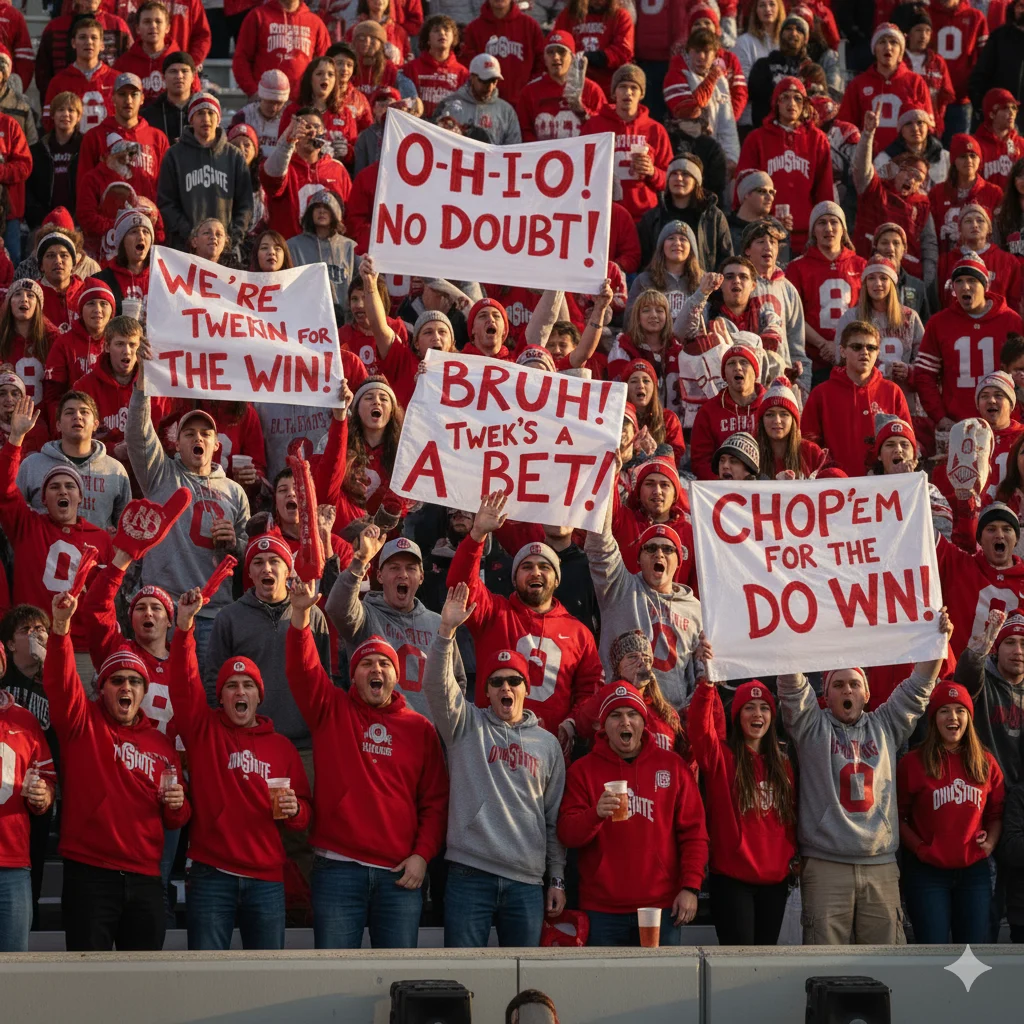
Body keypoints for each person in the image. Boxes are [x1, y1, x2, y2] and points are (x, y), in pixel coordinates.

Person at [287, 578, 448, 949]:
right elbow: (303, 669)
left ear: (396, 676)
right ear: (353, 673)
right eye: (366, 664)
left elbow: (435, 803)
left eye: (383, 665)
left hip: (399, 877)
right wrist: (299, 614)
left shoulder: (419, 729)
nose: (376, 670)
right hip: (337, 870)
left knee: (398, 983)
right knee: (332, 977)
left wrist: (422, 857)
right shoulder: (331, 710)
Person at [778, 609, 953, 945]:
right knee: (826, 967)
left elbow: (919, 687)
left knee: (887, 965)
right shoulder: (811, 728)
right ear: (825, 695)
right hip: (826, 864)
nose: (848, 690)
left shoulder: (886, 724)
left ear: (867, 693)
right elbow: (790, 685)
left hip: (880, 865)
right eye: (838, 684)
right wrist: (786, 633)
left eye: (854, 684)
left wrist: (937, 640)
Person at [44, 590, 189, 951]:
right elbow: (61, 685)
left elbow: (177, 818)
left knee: (142, 985)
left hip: (145, 878)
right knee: (86, 981)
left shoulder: (162, 746)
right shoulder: (82, 724)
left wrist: (177, 803)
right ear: (102, 688)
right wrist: (60, 629)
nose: (126, 686)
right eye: (117, 680)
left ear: (143, 692)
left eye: (135, 681)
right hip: (90, 873)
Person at [169, 587, 312, 950]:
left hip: (266, 879)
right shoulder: (205, 731)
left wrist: (295, 812)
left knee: (266, 979)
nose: (239, 692)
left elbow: (304, 815)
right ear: (222, 696)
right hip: (210, 874)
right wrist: (184, 629)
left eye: (247, 685)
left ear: (258, 696)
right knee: (206, 975)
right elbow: (184, 685)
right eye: (231, 686)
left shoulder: (281, 747)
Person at [423, 583, 566, 947]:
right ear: (485, 692)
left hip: (526, 882)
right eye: (497, 682)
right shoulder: (464, 725)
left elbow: (553, 821)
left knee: (523, 982)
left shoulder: (548, 745)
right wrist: (446, 633)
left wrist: (557, 878)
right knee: (463, 979)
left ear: (525, 688)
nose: (506, 687)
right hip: (470, 874)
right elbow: (437, 688)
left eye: (514, 681)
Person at [557, 679, 707, 946]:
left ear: (643, 722)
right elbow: (567, 833)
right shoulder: (583, 771)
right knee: (605, 988)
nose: (625, 722)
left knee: (662, 986)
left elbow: (694, 834)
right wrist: (595, 814)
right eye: (615, 715)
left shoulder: (672, 766)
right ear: (603, 725)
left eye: (632, 714)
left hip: (660, 907)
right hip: (602, 910)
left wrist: (690, 888)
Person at [447, 491, 604, 736]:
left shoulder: (579, 633)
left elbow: (589, 690)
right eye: (527, 566)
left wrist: (572, 725)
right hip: (490, 744)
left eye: (544, 567)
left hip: (549, 752)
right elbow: (460, 586)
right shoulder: (493, 613)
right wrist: (477, 535)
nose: (536, 572)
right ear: (514, 577)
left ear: (556, 579)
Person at [128, 350, 249, 655]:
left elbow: (248, 553)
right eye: (189, 433)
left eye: (205, 434)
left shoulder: (235, 492)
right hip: (163, 607)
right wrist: (142, 385)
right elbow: (137, 435)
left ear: (216, 445)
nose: (198, 438)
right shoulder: (159, 473)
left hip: (213, 611)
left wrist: (235, 543)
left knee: (206, 695)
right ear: (177, 442)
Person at [690, 640, 797, 946]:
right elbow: (700, 729)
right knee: (737, 963)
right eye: (749, 707)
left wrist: (792, 859)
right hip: (732, 881)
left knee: (764, 963)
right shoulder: (721, 758)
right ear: (737, 715)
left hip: (775, 883)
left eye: (764, 707)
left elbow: (791, 819)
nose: (757, 713)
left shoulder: (784, 764)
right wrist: (707, 683)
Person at [898, 681, 1004, 944]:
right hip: (927, 873)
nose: (953, 717)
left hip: (974, 872)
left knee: (973, 955)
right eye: (944, 710)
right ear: (933, 718)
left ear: (969, 716)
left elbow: (996, 813)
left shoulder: (985, 762)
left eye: (960, 710)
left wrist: (990, 842)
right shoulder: (913, 762)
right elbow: (897, 817)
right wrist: (920, 848)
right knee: (932, 951)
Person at [327, 525, 467, 720]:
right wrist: (359, 561)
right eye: (394, 568)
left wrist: (448, 727)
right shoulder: (364, 616)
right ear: (379, 576)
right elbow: (337, 608)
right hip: (379, 737)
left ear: (421, 577)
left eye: (411, 568)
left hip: (429, 740)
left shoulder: (438, 623)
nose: (403, 574)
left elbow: (457, 681)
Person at [584, 486, 700, 711]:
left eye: (668, 550)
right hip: (621, 710)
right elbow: (600, 544)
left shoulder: (695, 609)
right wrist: (606, 480)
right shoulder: (619, 588)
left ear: (679, 561)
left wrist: (684, 715)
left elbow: (696, 672)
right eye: (651, 549)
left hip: (671, 718)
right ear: (638, 560)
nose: (659, 554)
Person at [915, 252, 1024, 429]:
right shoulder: (939, 323)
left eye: (972, 281)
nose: (965, 287)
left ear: (985, 285)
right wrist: (940, 417)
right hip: (957, 424)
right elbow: (924, 375)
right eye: (959, 281)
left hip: (1005, 425)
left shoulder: (1011, 321)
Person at [802, 320, 912, 476]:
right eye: (857, 347)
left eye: (871, 347)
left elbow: (907, 444)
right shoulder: (821, 394)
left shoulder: (892, 391)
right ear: (842, 351)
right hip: (837, 489)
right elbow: (808, 448)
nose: (865, 352)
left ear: (878, 352)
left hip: (883, 488)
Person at [736, 76, 833, 252]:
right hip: (765, 234)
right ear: (776, 103)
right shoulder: (757, 139)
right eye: (785, 97)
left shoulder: (818, 140)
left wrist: (825, 227)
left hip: (806, 236)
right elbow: (743, 189)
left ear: (805, 104)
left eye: (797, 98)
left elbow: (824, 191)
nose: (792, 103)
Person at [18, 389, 130, 530]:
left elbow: (125, 527)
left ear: (96, 424)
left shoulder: (115, 470)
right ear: (58, 425)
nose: (77, 416)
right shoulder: (32, 465)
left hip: (98, 550)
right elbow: (15, 517)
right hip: (45, 550)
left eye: (84, 412)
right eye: (69, 412)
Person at [157, 93, 254, 254]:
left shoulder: (234, 156)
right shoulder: (174, 155)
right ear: (191, 119)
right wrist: (191, 235)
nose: (206, 118)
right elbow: (166, 202)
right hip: (185, 248)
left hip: (225, 250)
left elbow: (245, 205)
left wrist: (231, 237)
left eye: (211, 113)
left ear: (218, 119)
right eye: (200, 113)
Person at [784, 202, 867, 387]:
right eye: (821, 222)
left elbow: (867, 313)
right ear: (813, 230)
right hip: (812, 359)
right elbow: (794, 316)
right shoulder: (797, 267)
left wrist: (842, 347)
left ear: (843, 229)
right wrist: (822, 344)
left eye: (833, 222)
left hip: (852, 358)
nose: (828, 228)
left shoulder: (861, 265)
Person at [581, 64, 670, 223]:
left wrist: (652, 171)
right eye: (622, 87)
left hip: (645, 215)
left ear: (641, 94)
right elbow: (581, 169)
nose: (628, 92)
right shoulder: (594, 126)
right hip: (605, 214)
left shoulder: (656, 130)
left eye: (633, 88)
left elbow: (669, 179)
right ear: (614, 92)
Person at [837, 23, 933, 155]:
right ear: (874, 49)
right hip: (869, 161)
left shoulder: (915, 82)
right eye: (882, 42)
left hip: (907, 162)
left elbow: (929, 127)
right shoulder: (858, 84)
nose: (888, 47)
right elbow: (845, 126)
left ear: (901, 51)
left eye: (894, 42)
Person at [260, 109, 352, 241]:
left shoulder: (337, 169)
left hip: (329, 252)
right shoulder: (283, 166)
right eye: (306, 127)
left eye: (316, 127)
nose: (312, 132)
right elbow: (270, 178)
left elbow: (349, 214)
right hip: (291, 251)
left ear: (323, 133)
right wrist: (288, 142)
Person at [833, 256, 925, 387]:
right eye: (871, 278)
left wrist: (909, 371)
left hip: (903, 395)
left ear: (892, 283)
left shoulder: (910, 317)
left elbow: (925, 364)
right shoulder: (851, 317)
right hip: (863, 393)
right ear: (865, 284)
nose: (877, 283)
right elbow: (840, 360)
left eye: (883, 278)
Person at [636, 156, 731, 275]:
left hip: (705, 289)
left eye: (685, 174)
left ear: (696, 181)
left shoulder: (714, 217)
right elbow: (643, 261)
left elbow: (726, 259)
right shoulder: (652, 217)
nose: (678, 178)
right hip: (660, 288)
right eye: (674, 174)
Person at [690, 343, 765, 480]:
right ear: (724, 375)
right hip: (722, 489)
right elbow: (700, 462)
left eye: (743, 362)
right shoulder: (708, 411)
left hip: (765, 486)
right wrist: (724, 484)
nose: (737, 367)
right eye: (731, 364)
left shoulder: (769, 406)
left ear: (756, 372)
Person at [232, 0, 331, 102]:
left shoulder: (315, 22)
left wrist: (317, 95)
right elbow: (241, 58)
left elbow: (327, 64)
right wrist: (253, 91)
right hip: (266, 102)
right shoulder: (258, 16)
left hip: (302, 103)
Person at [517, 29, 605, 144]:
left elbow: (605, 128)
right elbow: (524, 131)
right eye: (550, 52)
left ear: (572, 57)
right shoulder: (529, 92)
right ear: (544, 58)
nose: (556, 57)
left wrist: (582, 111)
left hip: (581, 158)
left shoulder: (592, 89)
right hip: (542, 158)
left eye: (561, 51)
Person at [43, 276, 114, 404]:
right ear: (81, 310)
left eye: (104, 303)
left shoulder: (120, 342)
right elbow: (53, 396)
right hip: (76, 418)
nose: (97, 310)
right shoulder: (64, 343)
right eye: (91, 303)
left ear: (112, 311)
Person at [931, 134, 1005, 256]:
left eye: (973, 156)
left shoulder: (994, 192)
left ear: (979, 159)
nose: (969, 161)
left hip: (985, 261)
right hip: (948, 261)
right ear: (954, 160)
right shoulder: (937, 193)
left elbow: (1000, 235)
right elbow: (931, 237)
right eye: (963, 156)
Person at [42, 18, 118, 133]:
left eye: (94, 37)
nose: (88, 42)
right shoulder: (58, 82)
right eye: (82, 37)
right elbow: (48, 122)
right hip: (73, 149)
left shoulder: (117, 80)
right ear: (73, 43)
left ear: (102, 45)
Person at [461, 0, 544, 102]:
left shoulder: (530, 26)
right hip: (485, 104)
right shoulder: (474, 29)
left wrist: (527, 92)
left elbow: (541, 64)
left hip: (522, 103)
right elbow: (468, 68)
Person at [929, 0, 988, 142]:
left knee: (957, 151)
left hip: (961, 99)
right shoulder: (925, 12)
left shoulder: (975, 17)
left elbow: (984, 61)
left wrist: (974, 91)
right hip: (930, 99)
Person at [434, 54, 521, 146]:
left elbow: (513, 148)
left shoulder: (506, 112)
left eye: (494, 81)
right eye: (484, 81)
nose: (490, 86)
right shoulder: (448, 105)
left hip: (491, 160)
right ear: (472, 77)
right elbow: (437, 142)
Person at [26, 92, 83, 232]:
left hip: (79, 224)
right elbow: (29, 190)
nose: (65, 114)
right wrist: (41, 219)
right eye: (60, 110)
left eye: (71, 110)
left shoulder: (86, 147)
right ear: (52, 114)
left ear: (79, 116)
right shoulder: (38, 150)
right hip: (43, 225)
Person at [756, 377, 828, 479]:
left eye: (784, 414)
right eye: (769, 415)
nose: (777, 420)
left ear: (794, 420)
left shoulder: (811, 451)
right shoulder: (753, 453)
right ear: (761, 420)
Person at [968, 0, 1024, 127]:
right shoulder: (999, 37)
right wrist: (982, 107)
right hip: (1001, 117)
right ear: (1013, 8)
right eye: (1021, 6)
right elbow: (980, 75)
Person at [0, 280, 56, 406]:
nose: (24, 299)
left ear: (38, 304)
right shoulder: (2, 338)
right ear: (9, 303)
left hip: (44, 418)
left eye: (30, 295)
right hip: (7, 419)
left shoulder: (53, 340)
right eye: (17, 294)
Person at [114, 0, 179, 105]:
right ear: (138, 29)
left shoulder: (182, 63)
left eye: (158, 21)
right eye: (147, 22)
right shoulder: (123, 64)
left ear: (167, 28)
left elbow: (194, 100)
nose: (153, 26)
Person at [404, 15, 467, 121]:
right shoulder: (411, 68)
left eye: (446, 29)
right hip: (418, 130)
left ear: (454, 37)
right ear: (427, 39)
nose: (442, 33)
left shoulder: (463, 73)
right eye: (436, 30)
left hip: (449, 132)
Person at [873, 109, 949, 190]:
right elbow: (878, 191)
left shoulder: (944, 157)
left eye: (920, 122)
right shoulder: (885, 159)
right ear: (901, 130)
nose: (915, 129)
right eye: (908, 124)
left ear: (928, 127)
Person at [140, 51, 196, 145]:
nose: (179, 76)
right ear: (163, 77)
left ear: (193, 76)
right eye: (173, 71)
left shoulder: (202, 111)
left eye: (184, 71)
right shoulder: (148, 116)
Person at [973, 89, 1023, 192]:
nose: (1012, 112)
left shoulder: (1021, 144)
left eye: (1014, 108)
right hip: (986, 205)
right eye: (1005, 108)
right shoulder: (976, 145)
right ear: (991, 114)